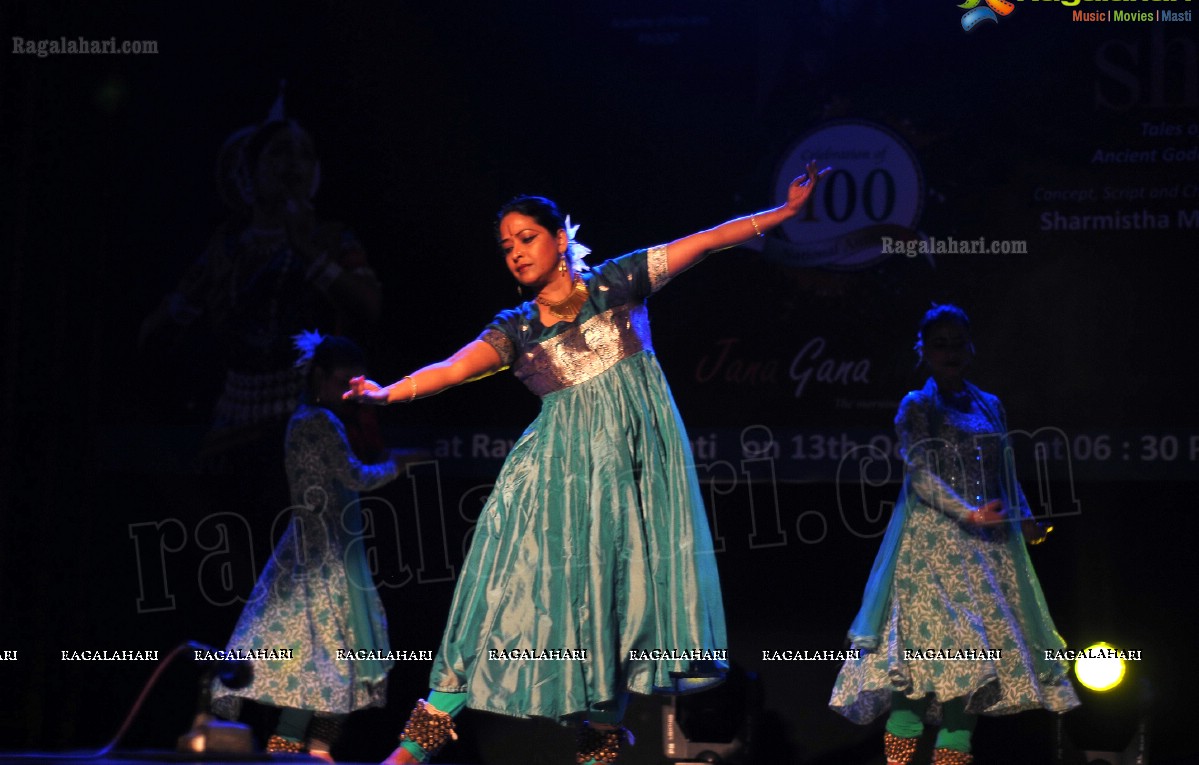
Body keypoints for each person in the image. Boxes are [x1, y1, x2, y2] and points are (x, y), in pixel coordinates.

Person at [344, 162, 826, 765]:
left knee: (618, 601)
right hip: (551, 480)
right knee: (502, 594)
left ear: (559, 236)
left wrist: (782, 214)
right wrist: (390, 391)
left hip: (628, 478)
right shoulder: (516, 328)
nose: (516, 253)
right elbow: (451, 367)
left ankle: (597, 751)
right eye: (506, 246)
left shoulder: (616, 284)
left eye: (527, 238)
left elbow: (704, 242)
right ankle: (413, 748)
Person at [829, 305, 1079, 765]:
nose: (949, 352)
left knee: (972, 677)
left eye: (957, 342)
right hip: (930, 551)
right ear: (923, 351)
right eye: (939, 343)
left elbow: (1004, 473)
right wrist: (968, 513)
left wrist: (1025, 520)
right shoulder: (918, 405)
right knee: (917, 670)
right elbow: (920, 474)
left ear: (971, 347)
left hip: (986, 555)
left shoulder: (990, 404)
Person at [140, 91, 382, 466]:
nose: (294, 165)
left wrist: (305, 249)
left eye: (304, 154)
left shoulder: (331, 239)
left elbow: (368, 305)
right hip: (235, 418)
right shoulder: (227, 248)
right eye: (280, 152)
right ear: (249, 171)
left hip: (309, 415)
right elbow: (158, 331)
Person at [210, 332, 412, 761]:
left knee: (330, 658)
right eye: (343, 379)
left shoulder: (314, 420)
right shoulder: (317, 422)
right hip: (321, 553)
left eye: (356, 381)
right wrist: (401, 463)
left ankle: (308, 748)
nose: (350, 390)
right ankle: (303, 749)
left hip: (328, 546)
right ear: (319, 376)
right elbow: (354, 477)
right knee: (329, 658)